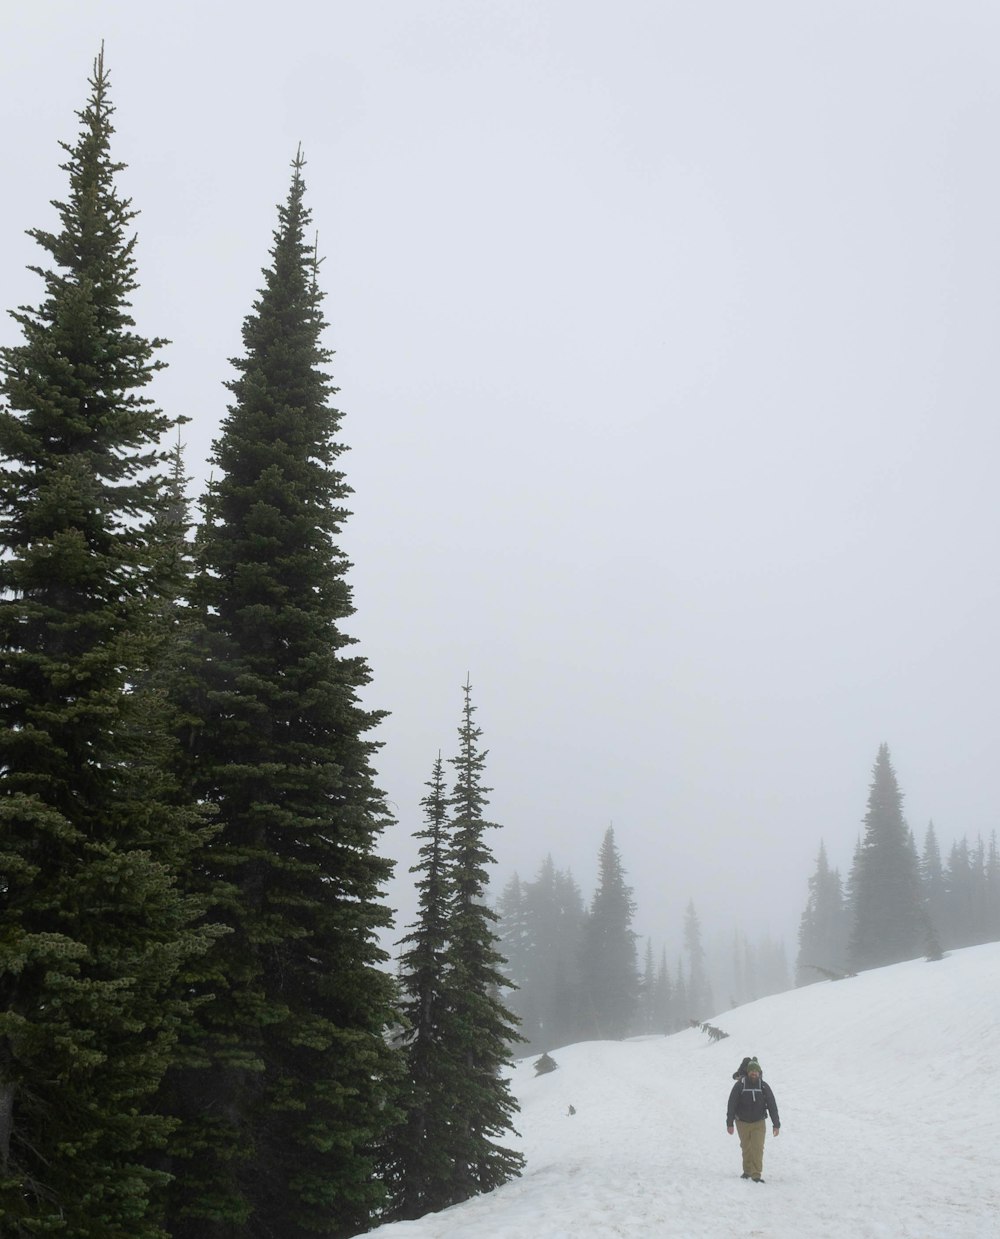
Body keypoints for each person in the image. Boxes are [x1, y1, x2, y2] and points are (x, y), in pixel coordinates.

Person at [726, 1057, 780, 1182]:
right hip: (742, 1122)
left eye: (756, 1071)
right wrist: (729, 1123)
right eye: (751, 1071)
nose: (754, 1073)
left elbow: (772, 1105)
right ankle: (747, 1171)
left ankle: (756, 1175)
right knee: (746, 1147)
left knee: (757, 1148)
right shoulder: (740, 1085)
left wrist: (776, 1124)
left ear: (759, 1072)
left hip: (759, 1122)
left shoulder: (764, 1086)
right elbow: (731, 1104)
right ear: (748, 1072)